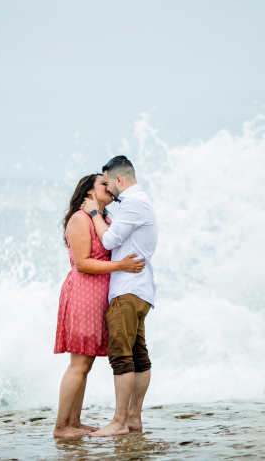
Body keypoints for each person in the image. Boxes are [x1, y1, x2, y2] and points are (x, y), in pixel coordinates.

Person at [53, 173, 146, 438]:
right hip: (84, 292)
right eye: (103, 184)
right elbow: (82, 263)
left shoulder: (104, 219)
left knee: (86, 362)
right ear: (89, 192)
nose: (110, 187)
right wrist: (121, 265)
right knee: (79, 364)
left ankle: (74, 422)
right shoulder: (80, 219)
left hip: (100, 294)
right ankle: (61, 427)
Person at [80, 155, 159, 437]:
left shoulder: (134, 203)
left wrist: (92, 213)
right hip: (139, 291)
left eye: (108, 183)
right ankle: (134, 419)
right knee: (138, 356)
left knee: (122, 357)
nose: (109, 190)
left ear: (119, 180)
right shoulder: (138, 202)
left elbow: (109, 240)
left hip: (128, 290)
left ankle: (119, 422)